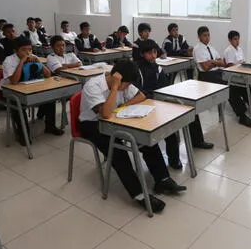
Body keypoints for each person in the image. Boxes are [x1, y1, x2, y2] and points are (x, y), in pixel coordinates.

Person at [79, 59, 186, 213]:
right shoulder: (92, 86)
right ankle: (139, 194)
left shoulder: (125, 83)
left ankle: (162, 179)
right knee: (118, 152)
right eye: (126, 84)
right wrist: (115, 88)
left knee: (146, 138)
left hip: (117, 120)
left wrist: (123, 105)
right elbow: (106, 114)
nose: (128, 88)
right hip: (93, 125)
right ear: (117, 78)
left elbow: (141, 95)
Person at [135, 42, 213, 168]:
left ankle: (180, 154)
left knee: (184, 113)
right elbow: (136, 92)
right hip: (143, 105)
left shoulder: (158, 68)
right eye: (149, 53)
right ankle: (171, 159)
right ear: (142, 54)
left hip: (158, 102)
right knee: (167, 127)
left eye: (155, 52)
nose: (153, 56)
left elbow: (165, 89)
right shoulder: (136, 69)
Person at [0, 37, 64, 146]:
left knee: (50, 97)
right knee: (17, 104)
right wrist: (22, 62)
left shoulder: (33, 57)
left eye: (30, 49)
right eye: (24, 50)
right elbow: (14, 81)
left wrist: (38, 61)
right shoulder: (9, 60)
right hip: (11, 92)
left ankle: (50, 126)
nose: (28, 52)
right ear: (15, 51)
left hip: (29, 87)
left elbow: (48, 74)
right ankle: (23, 134)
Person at [193, 26, 251, 128]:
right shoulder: (198, 49)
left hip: (217, 72)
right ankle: (242, 116)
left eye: (208, 35)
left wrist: (213, 62)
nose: (207, 37)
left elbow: (222, 63)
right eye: (204, 35)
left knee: (237, 81)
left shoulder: (211, 47)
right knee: (229, 86)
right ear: (199, 37)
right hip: (206, 76)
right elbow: (205, 68)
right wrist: (215, 62)